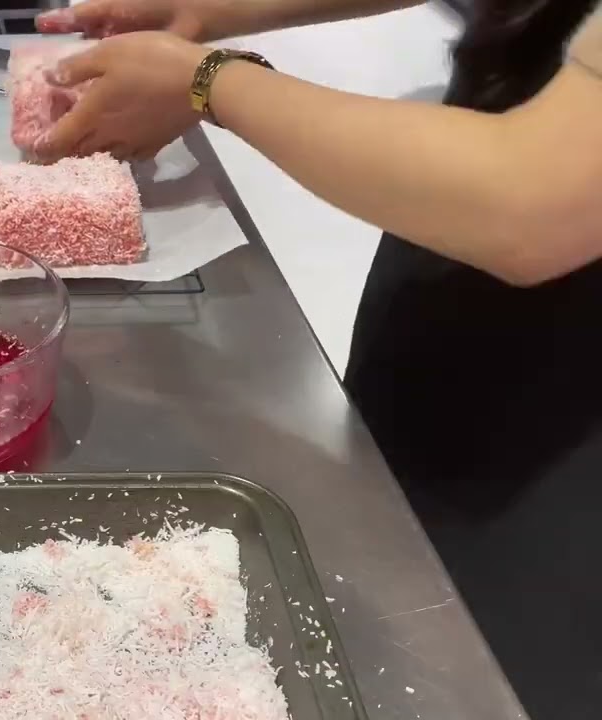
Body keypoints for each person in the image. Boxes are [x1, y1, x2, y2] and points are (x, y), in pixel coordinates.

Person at [33, 0, 602, 716]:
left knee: (493, 667)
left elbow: (531, 202)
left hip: (568, 408)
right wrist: (211, 11)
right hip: (459, 296)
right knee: (389, 580)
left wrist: (210, 81)